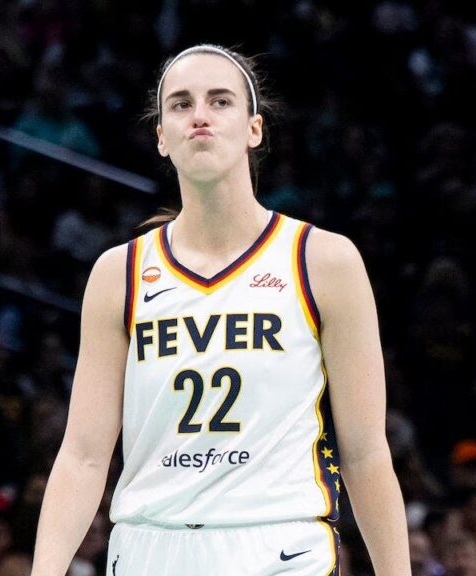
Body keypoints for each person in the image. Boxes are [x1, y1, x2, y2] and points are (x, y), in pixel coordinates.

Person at [29, 44, 411, 575]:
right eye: (181, 104)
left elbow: (366, 453)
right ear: (161, 137)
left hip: (281, 546)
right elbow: (84, 455)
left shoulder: (324, 260)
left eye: (220, 100)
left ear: (254, 129)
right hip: (148, 547)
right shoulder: (119, 273)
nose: (200, 115)